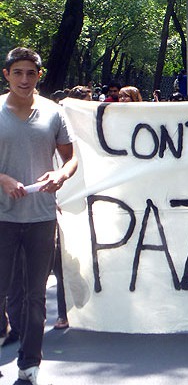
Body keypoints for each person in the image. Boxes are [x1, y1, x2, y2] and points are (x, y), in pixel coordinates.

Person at [0, 47, 78, 384]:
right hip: (2, 218)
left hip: (40, 218)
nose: (24, 79)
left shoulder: (53, 113)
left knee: (35, 296)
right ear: (7, 74)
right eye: (18, 72)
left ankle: (28, 366)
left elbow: (72, 158)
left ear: (39, 76)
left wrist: (61, 174)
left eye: (30, 73)